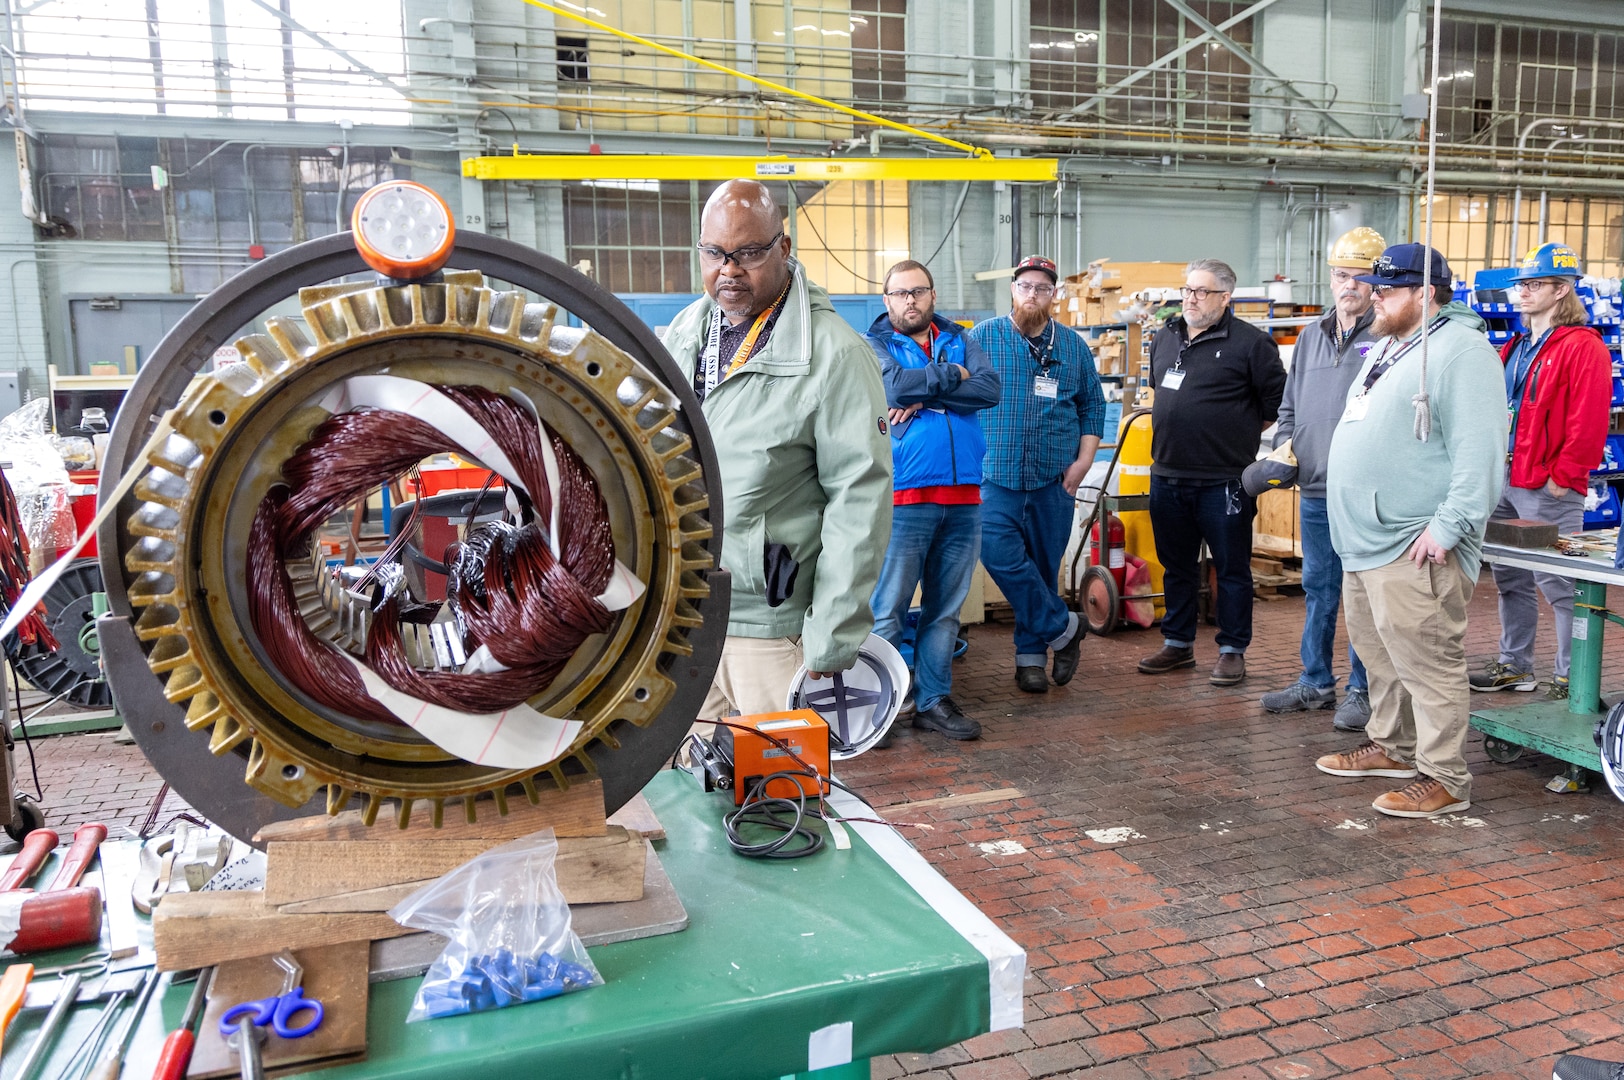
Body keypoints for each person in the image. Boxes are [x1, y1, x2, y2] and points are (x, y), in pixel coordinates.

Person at [661, 180, 893, 720]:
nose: (730, 270)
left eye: (748, 253)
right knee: (693, 788)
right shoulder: (686, 333)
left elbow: (859, 498)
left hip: (772, 627)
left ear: (783, 249)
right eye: (715, 253)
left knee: (778, 791)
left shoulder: (834, 355)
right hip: (686, 613)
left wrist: (834, 631)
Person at [1315, 243, 1506, 818]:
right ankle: (1395, 748)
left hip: (1413, 541)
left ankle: (1444, 777)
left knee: (1428, 662)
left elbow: (1483, 455)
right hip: (1365, 540)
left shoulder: (1461, 352)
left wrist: (1448, 528)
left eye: (1386, 290)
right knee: (1380, 657)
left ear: (1424, 294)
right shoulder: (1392, 347)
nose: (1374, 297)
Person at [866, 260, 1001, 742]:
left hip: (964, 498)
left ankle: (932, 701)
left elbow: (989, 389)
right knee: (889, 609)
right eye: (899, 294)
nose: (909, 301)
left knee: (946, 610)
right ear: (887, 301)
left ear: (932, 295)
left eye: (917, 291)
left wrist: (926, 393)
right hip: (904, 497)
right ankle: (877, 710)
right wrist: (949, 377)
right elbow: (892, 387)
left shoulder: (963, 337)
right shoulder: (875, 344)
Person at [1470, 242, 1611, 699]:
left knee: (1560, 583)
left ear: (1562, 289)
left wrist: (1564, 476)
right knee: (1510, 576)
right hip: (1505, 478)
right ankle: (1516, 666)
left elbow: (1589, 419)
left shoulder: (1581, 347)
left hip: (1545, 486)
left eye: (1534, 285)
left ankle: (1573, 678)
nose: (1523, 293)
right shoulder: (1518, 344)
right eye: (1522, 285)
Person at [1259, 228, 1385, 729]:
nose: (1347, 285)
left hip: (1362, 490)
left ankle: (1362, 688)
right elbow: (1289, 407)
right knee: (1318, 587)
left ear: (1377, 282)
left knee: (1360, 591)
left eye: (1358, 276)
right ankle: (1314, 682)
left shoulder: (1388, 336)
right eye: (1339, 275)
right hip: (1314, 487)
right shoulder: (1310, 336)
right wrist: (1284, 452)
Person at [1138, 259, 1285, 687]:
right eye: (1187, 290)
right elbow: (1159, 388)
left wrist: (1230, 433)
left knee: (1231, 567)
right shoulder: (1166, 337)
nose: (1190, 298)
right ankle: (1178, 644)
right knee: (1176, 565)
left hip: (1224, 480)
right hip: (1167, 474)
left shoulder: (1252, 344)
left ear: (1225, 297)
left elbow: (1275, 405)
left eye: (1201, 291)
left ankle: (1232, 650)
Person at [969, 255, 1104, 694]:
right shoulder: (982, 338)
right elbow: (952, 389)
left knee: (1044, 568)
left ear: (1054, 295)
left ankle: (1030, 660)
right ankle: (1065, 629)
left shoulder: (1072, 346)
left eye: (1042, 288)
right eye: (1025, 286)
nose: (1033, 294)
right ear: (1013, 290)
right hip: (995, 475)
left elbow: (1093, 406)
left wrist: (1083, 462)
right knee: (1002, 558)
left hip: (1054, 479)